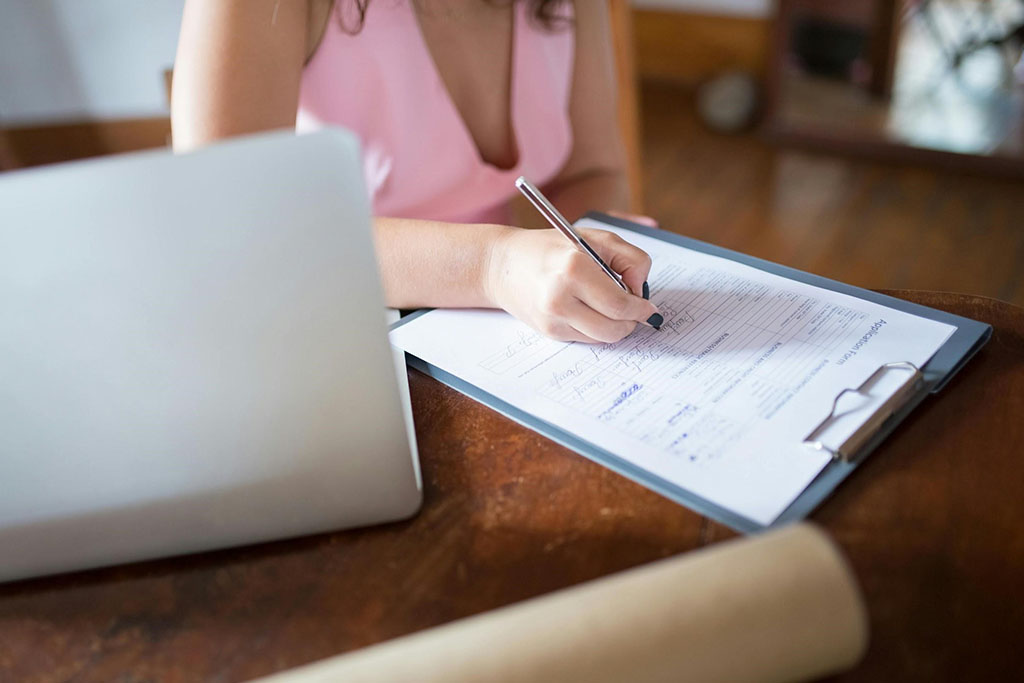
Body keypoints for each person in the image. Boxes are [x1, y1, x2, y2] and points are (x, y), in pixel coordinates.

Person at [172, 0, 660, 343]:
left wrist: (583, 263)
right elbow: (229, 232)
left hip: (509, 323)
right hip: (337, 314)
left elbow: (592, 172)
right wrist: (494, 266)